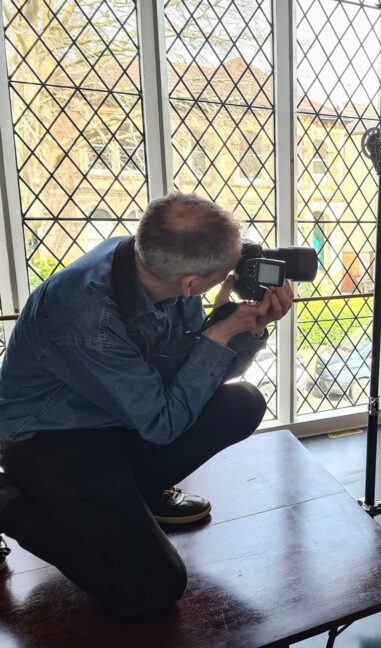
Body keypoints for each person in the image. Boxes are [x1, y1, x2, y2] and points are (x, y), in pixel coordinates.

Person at [0, 192, 294, 615]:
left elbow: (198, 378)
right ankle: (10, 505)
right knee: (154, 586)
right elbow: (163, 423)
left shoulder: (152, 260)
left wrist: (242, 328)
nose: (231, 277)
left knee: (243, 402)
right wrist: (218, 336)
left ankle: (138, 493)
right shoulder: (86, 315)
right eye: (223, 274)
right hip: (50, 443)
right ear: (191, 283)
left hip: (118, 422)